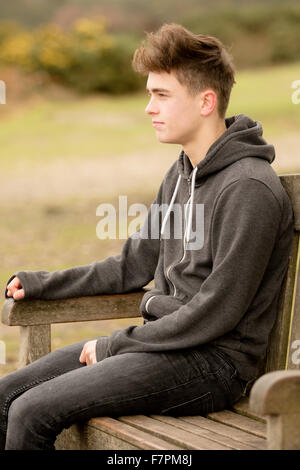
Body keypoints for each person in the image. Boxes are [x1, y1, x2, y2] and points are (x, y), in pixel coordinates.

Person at [1, 23, 294, 451]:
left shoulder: (248, 188)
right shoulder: (180, 173)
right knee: (7, 396)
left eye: (161, 95)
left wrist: (115, 344)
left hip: (214, 364)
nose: (148, 107)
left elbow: (218, 310)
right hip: (162, 346)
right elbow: (132, 265)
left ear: (205, 102)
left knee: (32, 412)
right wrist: (46, 283)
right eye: (149, 93)